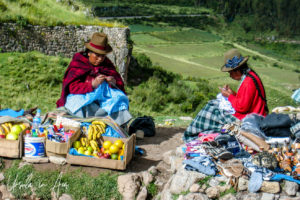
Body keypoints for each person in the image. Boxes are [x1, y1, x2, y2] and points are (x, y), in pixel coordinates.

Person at [184, 48, 268, 142]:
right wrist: (232, 94)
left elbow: (242, 107)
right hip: (254, 116)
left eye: (230, 72)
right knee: (213, 104)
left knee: (212, 110)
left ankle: (191, 133)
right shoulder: (250, 76)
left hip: (250, 120)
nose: (230, 75)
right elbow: (246, 100)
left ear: (237, 70)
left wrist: (229, 96)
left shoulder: (248, 82)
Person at [56, 32, 131, 126]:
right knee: (77, 104)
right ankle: (82, 128)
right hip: (83, 98)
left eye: (102, 56)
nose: (100, 59)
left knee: (119, 99)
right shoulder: (79, 63)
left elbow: (119, 82)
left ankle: (114, 127)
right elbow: (71, 87)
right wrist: (92, 84)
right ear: (89, 53)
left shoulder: (107, 64)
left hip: (103, 100)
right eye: (97, 55)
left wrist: (113, 81)